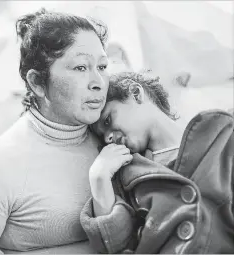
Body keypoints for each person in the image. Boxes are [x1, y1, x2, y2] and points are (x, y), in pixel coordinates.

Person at [0, 8, 123, 254]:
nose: (98, 82)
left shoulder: (115, 137)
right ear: (37, 82)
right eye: (80, 67)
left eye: (102, 66)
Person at [80, 71, 234, 253]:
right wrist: (99, 179)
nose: (108, 138)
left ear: (136, 94)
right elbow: (119, 244)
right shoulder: (129, 176)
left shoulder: (221, 134)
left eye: (107, 120)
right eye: (102, 136)